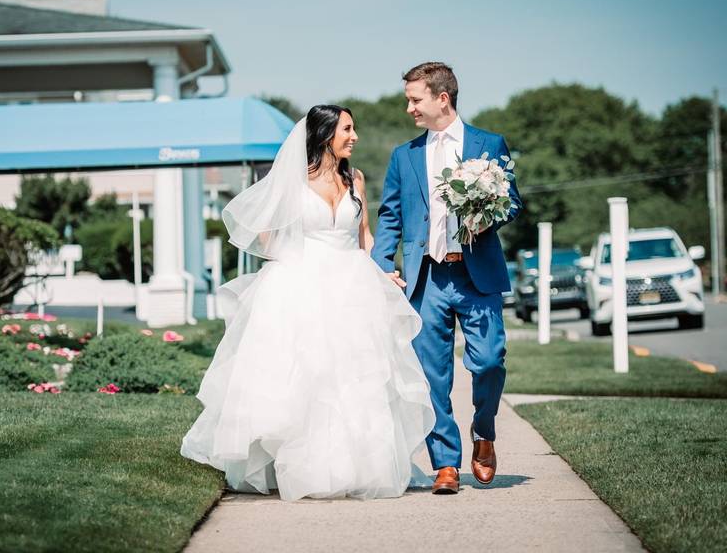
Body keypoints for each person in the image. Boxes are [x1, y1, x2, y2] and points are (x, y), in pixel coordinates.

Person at [181, 104, 435, 501]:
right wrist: (301, 267)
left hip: (353, 286)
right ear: (325, 135)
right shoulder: (292, 182)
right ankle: (300, 466)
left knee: (353, 377)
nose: (354, 137)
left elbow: (364, 235)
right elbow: (268, 239)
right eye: (347, 130)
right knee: (306, 376)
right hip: (302, 282)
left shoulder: (356, 179)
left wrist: (381, 270)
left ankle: (355, 467)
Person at [372, 62, 523, 494]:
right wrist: (384, 264)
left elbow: (512, 201)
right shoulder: (404, 156)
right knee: (432, 375)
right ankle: (445, 464)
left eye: (415, 99)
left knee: (490, 361)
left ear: (443, 98)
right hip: (428, 278)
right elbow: (391, 214)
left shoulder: (488, 144)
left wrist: (486, 214)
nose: (409, 108)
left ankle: (485, 432)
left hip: (477, 274)